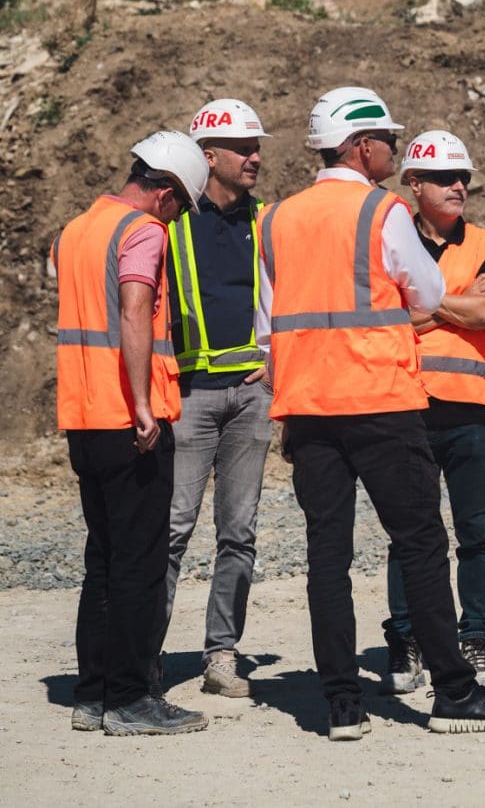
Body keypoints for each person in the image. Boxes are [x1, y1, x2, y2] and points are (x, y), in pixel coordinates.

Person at [256, 87, 485, 739]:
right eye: (386, 138)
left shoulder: (273, 219)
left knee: (328, 556)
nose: (393, 148)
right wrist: (437, 303)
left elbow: (267, 331)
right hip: (380, 400)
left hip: (307, 409)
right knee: (420, 543)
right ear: (360, 147)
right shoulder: (380, 211)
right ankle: (453, 693)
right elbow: (429, 293)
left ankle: (342, 704)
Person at [53, 130, 211, 736]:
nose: (177, 219)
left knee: (103, 559)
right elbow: (133, 308)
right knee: (140, 563)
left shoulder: (77, 229)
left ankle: (91, 695)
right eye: (181, 207)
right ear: (166, 192)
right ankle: (129, 699)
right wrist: (144, 404)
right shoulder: (142, 231)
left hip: (83, 416)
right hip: (129, 420)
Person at [381, 130, 485, 695]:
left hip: (473, 410)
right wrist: (458, 303)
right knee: (410, 533)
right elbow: (386, 316)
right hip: (405, 404)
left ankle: (477, 638)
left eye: (463, 178)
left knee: (476, 532)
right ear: (414, 183)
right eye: (444, 178)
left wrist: (426, 305)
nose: (458, 186)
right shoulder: (391, 240)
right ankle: (408, 639)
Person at [158, 99, 273, 698]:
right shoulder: (171, 219)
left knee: (239, 533)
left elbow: (290, 296)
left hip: (250, 396)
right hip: (187, 398)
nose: (255, 157)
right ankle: (142, 657)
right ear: (209, 156)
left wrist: (275, 360)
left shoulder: (266, 220)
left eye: (257, 147)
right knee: (171, 531)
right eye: (244, 149)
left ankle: (221, 655)